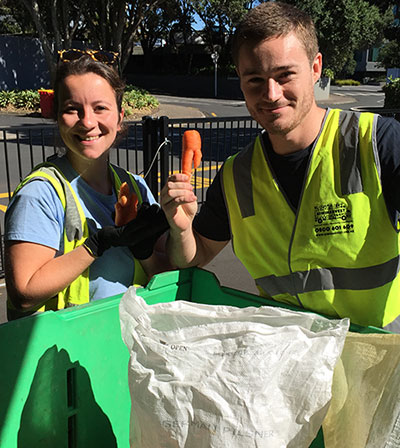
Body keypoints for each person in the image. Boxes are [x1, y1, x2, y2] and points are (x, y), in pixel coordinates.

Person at [161, 1, 400, 331]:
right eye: (255, 79)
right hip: (287, 358)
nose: (271, 94)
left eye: (285, 74)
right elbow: (195, 255)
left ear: (315, 68)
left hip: (372, 356)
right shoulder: (236, 175)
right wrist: (182, 228)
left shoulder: (376, 142)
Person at [5, 50, 170, 320]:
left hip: (122, 348)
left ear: (119, 118)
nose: (88, 122)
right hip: (63, 353)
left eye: (100, 108)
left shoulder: (135, 187)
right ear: (57, 117)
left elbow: (166, 275)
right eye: (72, 109)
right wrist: (95, 245)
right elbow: (23, 293)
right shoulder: (40, 194)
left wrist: (146, 252)